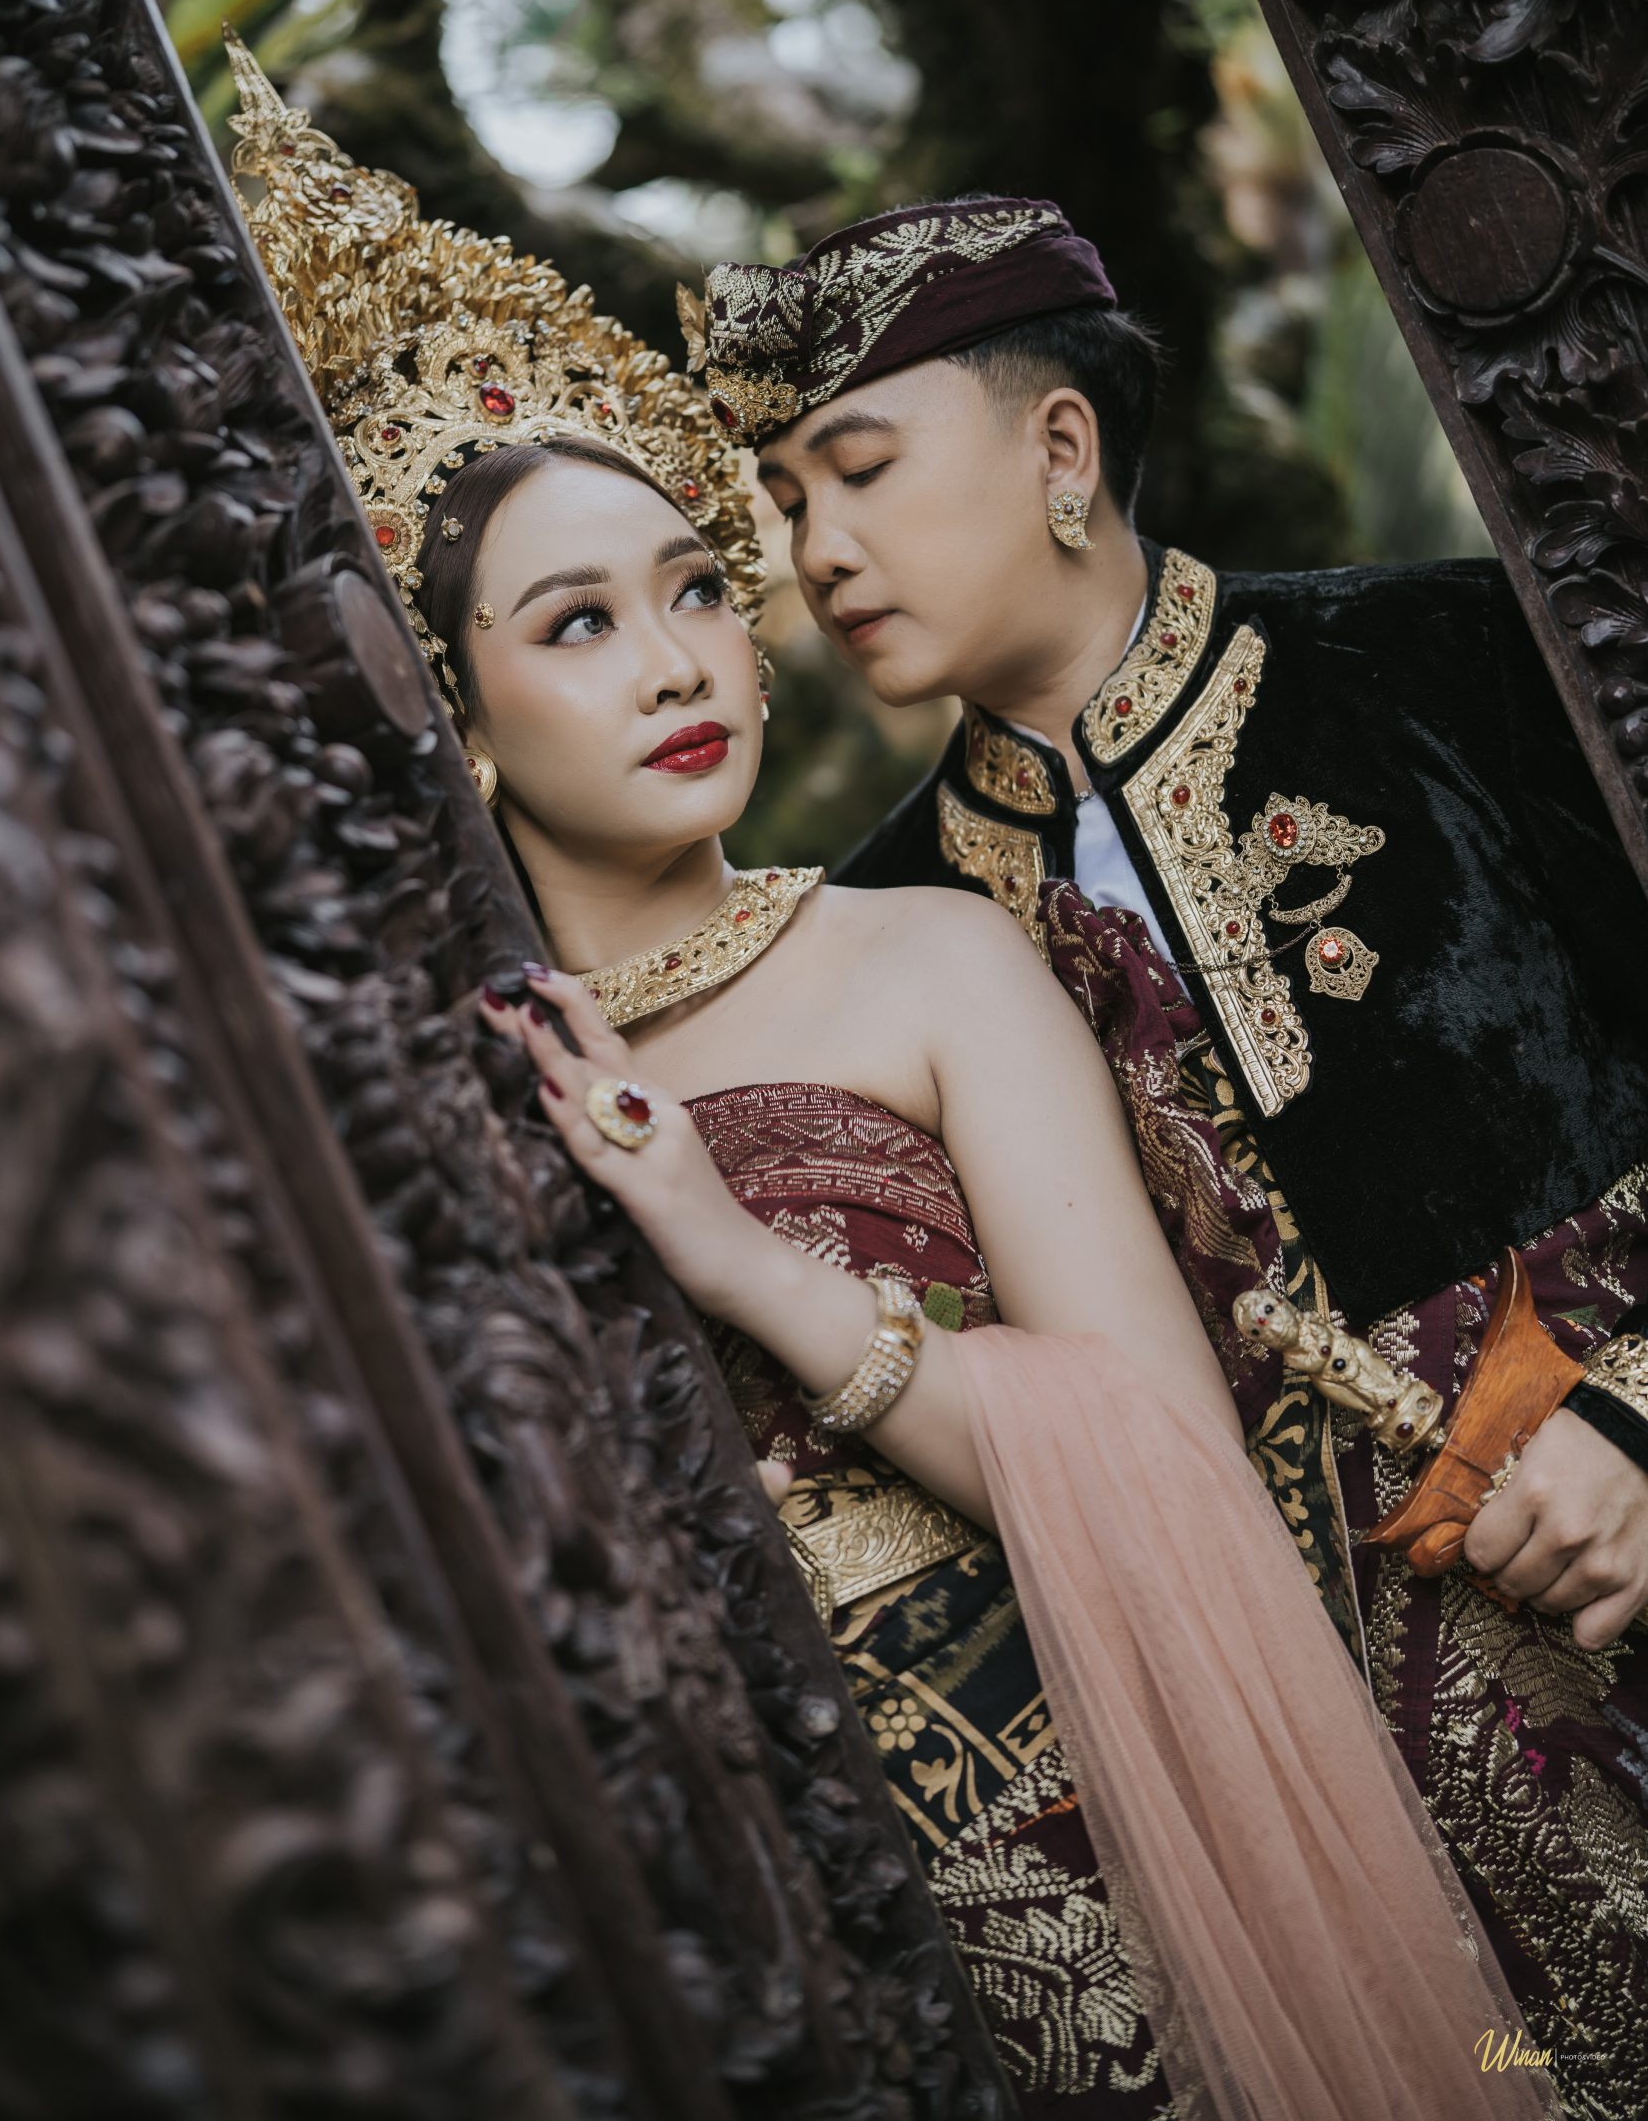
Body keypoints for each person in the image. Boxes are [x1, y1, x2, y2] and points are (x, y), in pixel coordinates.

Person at [224, 36, 1550, 2121]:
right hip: (734, 1922)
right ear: (445, 704)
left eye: (702, 582)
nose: (696, 648)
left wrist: (747, 1268)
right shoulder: (441, 1079)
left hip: (1162, 1815)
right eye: (580, 623)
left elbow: (1162, 1438)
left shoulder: (937, 940)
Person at [689, 193, 1648, 2108]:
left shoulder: (1461, 654)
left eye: (860, 470)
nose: (819, 550)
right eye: (784, 503)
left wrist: (1636, 1410)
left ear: (1062, 446)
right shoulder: (880, 937)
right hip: (1324, 1799)